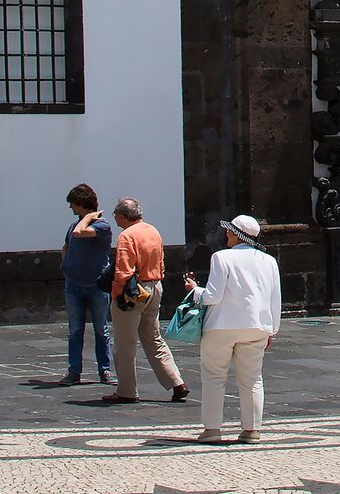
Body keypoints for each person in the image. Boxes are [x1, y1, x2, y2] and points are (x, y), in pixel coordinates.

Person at [192, 211, 280, 444]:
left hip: (221, 326)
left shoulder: (222, 257)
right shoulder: (269, 261)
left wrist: (194, 290)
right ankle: (251, 430)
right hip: (257, 326)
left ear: (234, 234)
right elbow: (275, 299)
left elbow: (212, 295)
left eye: (229, 231)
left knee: (213, 377)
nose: (226, 234)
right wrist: (272, 330)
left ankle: (212, 429)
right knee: (252, 379)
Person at [106, 197, 188, 405]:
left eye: (116, 214)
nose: (114, 218)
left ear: (123, 216)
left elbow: (123, 270)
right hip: (154, 286)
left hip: (134, 290)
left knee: (125, 343)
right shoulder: (152, 230)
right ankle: (177, 382)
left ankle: (127, 391)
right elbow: (160, 262)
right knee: (154, 338)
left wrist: (116, 295)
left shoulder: (127, 235)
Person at [58, 184, 115, 387]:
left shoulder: (101, 225)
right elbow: (67, 244)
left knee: (101, 329)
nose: (71, 208)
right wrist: (66, 264)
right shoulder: (75, 225)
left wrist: (89, 217)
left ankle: (104, 369)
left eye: (73, 203)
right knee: (75, 330)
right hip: (74, 284)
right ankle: (74, 371)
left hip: (96, 285)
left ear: (82, 204)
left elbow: (80, 233)